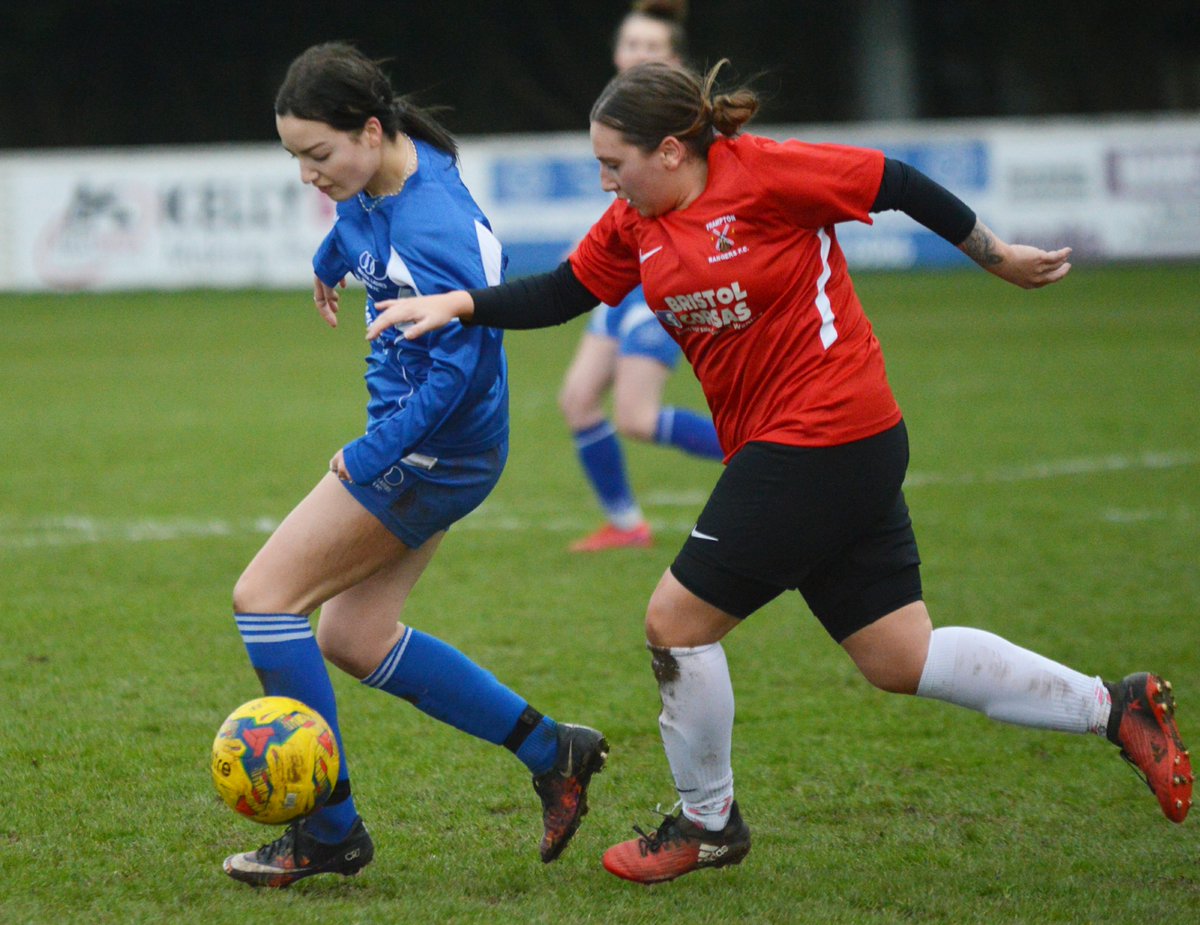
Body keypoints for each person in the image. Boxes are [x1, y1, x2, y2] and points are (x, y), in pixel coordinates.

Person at [365, 60, 1194, 884]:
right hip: (821, 447)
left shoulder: (763, 171)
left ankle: (707, 819)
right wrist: (463, 303)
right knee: (899, 655)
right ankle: (1112, 706)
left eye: (614, 163)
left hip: (827, 430)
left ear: (670, 149)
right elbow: (564, 291)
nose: (605, 180)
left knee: (675, 622)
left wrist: (993, 253)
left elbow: (896, 180)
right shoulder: (636, 223)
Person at [221, 42, 608, 889]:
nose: (308, 177)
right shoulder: (384, 170)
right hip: (439, 446)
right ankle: (555, 750)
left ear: (368, 129)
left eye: (317, 156)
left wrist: (373, 454)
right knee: (352, 636)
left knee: (265, 601)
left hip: (431, 448)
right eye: (294, 159)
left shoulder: (437, 224)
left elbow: (461, 371)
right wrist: (328, 263)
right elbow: (360, 229)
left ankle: (329, 829)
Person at [559, 0, 724, 553]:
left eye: (652, 47)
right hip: (621, 282)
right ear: (615, 53)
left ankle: (772, 453)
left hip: (664, 281)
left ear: (674, 59)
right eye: (631, 44)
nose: (639, 55)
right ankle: (627, 524)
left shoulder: (690, 129)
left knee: (636, 416)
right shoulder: (615, 120)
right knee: (578, 399)